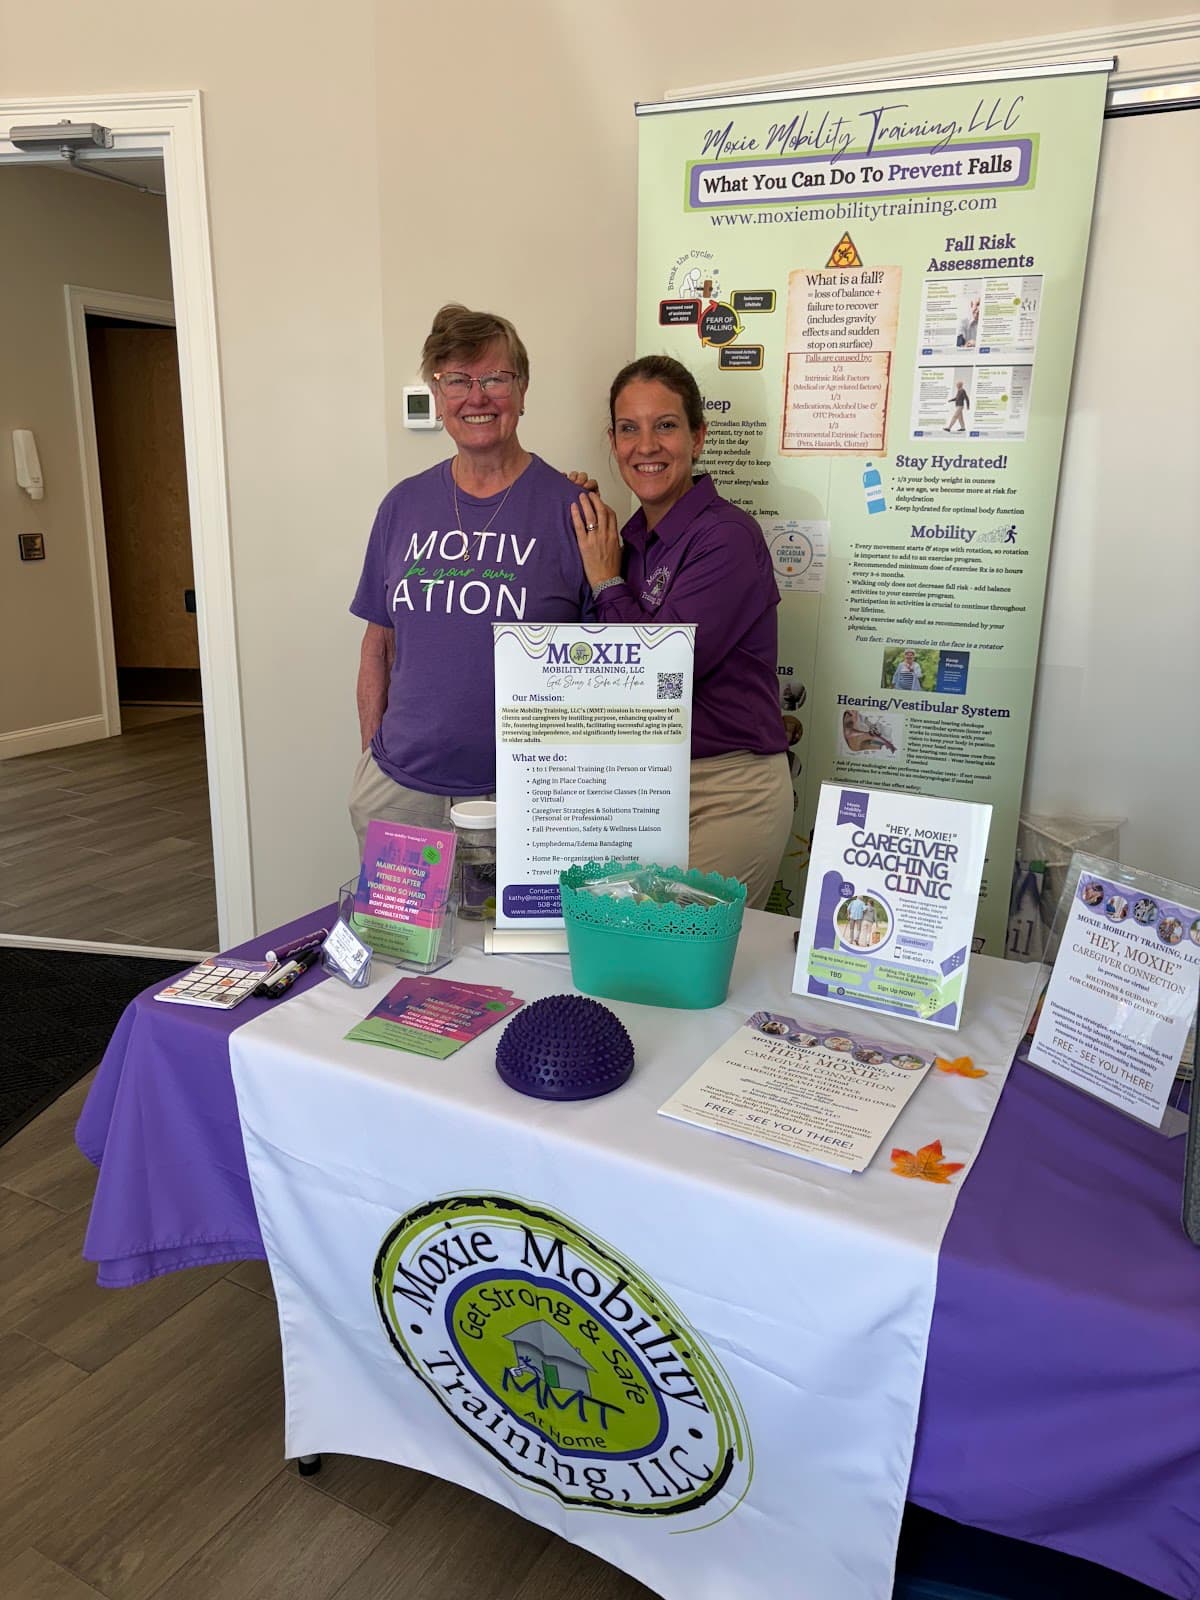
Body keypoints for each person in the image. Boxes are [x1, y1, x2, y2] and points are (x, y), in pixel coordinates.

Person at [348, 305, 591, 851]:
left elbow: (604, 668)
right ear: (438, 397)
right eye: (455, 380)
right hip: (399, 790)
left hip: (524, 797)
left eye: (494, 379)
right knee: (400, 940)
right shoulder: (402, 505)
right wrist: (372, 757)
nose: (475, 397)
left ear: (523, 390)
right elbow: (377, 644)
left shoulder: (574, 510)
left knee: (513, 940)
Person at [570, 355, 791, 909]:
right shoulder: (630, 541)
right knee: (637, 965)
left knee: (682, 963)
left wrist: (606, 580)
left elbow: (656, 676)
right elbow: (587, 663)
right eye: (629, 428)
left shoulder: (728, 537)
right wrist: (566, 511)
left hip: (725, 792)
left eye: (665, 425)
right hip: (645, 787)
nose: (646, 445)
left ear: (698, 437)